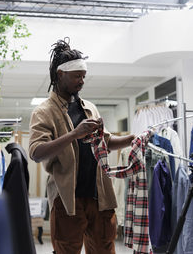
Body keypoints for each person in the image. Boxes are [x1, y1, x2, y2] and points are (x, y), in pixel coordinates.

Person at [29, 38, 135, 254]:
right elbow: (36, 152)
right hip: (68, 199)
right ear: (60, 75)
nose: (82, 81)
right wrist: (74, 134)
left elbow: (105, 142)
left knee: (105, 249)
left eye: (84, 76)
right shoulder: (44, 112)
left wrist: (132, 140)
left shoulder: (89, 108)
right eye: (77, 76)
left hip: (100, 196)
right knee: (67, 250)